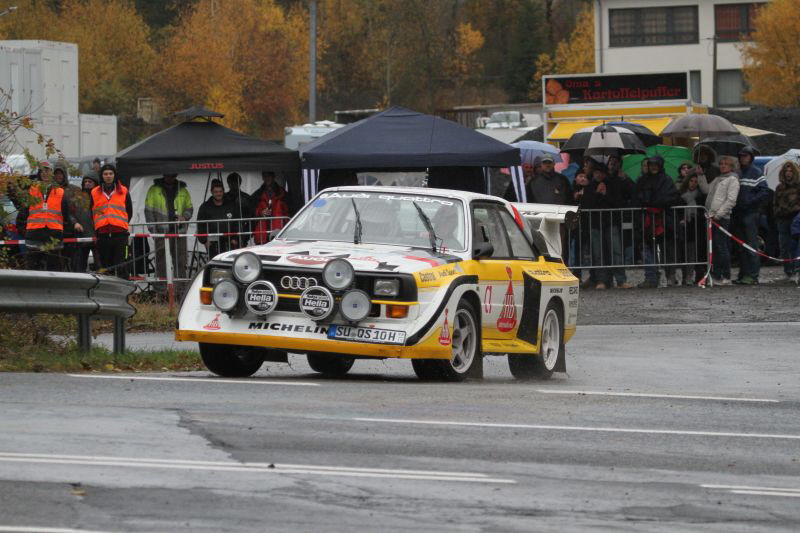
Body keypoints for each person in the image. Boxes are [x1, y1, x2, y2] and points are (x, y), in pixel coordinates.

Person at [632, 156, 683, 288]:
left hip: (664, 220)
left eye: (656, 164)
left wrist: (652, 203)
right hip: (647, 220)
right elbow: (636, 198)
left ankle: (670, 275)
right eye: (651, 165)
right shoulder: (642, 180)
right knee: (646, 248)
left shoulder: (666, 180)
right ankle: (651, 276)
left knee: (667, 249)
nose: (653, 167)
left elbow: (670, 197)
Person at [22, 163, 77, 271]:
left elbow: (66, 214)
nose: (45, 174)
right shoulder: (31, 190)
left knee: (54, 268)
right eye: (42, 171)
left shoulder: (61, 192)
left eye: (47, 171)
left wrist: (68, 226)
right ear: (39, 173)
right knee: (33, 268)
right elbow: (23, 212)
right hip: (34, 234)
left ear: (52, 174)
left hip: (54, 235)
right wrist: (23, 230)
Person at [580, 164, 625, 290]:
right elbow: (586, 204)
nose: (598, 175)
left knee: (616, 252)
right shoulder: (589, 187)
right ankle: (601, 280)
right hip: (595, 224)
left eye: (601, 172)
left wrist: (605, 194)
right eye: (596, 173)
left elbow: (618, 203)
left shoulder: (612, 185)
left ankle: (621, 280)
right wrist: (597, 194)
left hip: (610, 222)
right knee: (598, 253)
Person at [732, 146, 769, 285]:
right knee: (741, 247)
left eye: (745, 156)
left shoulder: (756, 171)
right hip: (738, 213)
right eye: (741, 156)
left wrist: (750, 202)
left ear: (751, 157)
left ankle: (753, 275)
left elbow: (765, 191)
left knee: (751, 246)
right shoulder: (738, 172)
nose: (743, 158)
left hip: (751, 214)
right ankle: (743, 274)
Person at [145, 173, 193, 280]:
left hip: (179, 233)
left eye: (172, 175)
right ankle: (161, 292)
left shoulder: (183, 190)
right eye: (168, 175)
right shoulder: (153, 190)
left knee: (181, 262)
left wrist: (184, 217)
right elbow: (148, 212)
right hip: (161, 233)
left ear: (175, 176)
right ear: (163, 175)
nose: (170, 178)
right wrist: (154, 231)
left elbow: (189, 208)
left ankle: (180, 291)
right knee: (161, 263)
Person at [89, 164, 132, 278]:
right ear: (101, 176)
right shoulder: (94, 192)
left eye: (110, 173)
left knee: (122, 265)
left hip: (120, 235)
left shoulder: (123, 191)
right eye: (105, 174)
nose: (108, 176)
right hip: (102, 235)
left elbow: (129, 211)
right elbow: (91, 211)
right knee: (106, 267)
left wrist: (121, 224)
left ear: (114, 175)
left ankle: (125, 294)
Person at [705, 156, 740, 285]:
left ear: (731, 166)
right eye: (721, 164)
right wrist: (700, 175)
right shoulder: (718, 179)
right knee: (715, 247)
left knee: (721, 247)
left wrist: (719, 214)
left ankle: (725, 275)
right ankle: (716, 274)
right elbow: (706, 191)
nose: (723, 166)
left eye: (726, 164)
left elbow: (731, 200)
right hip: (711, 217)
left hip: (721, 218)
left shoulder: (733, 180)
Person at [677, 166, 707, 285]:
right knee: (684, 253)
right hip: (685, 228)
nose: (693, 184)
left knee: (696, 253)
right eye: (691, 181)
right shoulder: (681, 196)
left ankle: (696, 276)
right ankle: (686, 276)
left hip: (697, 228)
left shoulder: (700, 196)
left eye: (696, 182)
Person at [197, 179, 242, 258]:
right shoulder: (205, 207)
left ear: (223, 191)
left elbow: (237, 223)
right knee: (216, 266)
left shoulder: (231, 205)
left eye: (220, 191)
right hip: (213, 243)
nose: (218, 194)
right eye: (216, 192)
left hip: (230, 241)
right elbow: (200, 225)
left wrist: (236, 238)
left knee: (230, 264)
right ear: (212, 192)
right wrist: (204, 240)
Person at [773, 161, 800, 281]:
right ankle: (788, 271)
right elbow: (774, 202)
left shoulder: (798, 186)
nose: (788, 173)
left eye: (790, 171)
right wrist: (777, 212)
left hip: (795, 218)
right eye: (786, 171)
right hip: (782, 219)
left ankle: (796, 270)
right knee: (784, 247)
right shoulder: (779, 187)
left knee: (795, 246)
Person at [67, 175, 98, 273]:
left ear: (95, 183)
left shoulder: (100, 196)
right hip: (81, 236)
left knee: (100, 267)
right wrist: (74, 223)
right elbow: (70, 213)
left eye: (90, 181)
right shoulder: (77, 198)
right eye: (86, 182)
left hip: (97, 237)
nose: (87, 184)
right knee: (80, 268)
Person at [251, 171, 288, 244]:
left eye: (269, 176)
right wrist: (261, 212)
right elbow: (251, 210)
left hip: (279, 230)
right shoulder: (257, 194)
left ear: (274, 177)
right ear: (262, 178)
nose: (267, 178)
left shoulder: (283, 193)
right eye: (265, 176)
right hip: (262, 231)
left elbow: (289, 209)